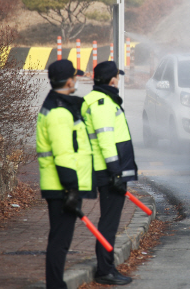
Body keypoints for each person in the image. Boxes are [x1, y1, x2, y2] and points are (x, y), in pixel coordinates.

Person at [36, 60, 96, 289]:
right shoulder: (59, 112)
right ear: (69, 81)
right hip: (61, 187)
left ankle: (56, 283)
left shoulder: (59, 105)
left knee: (60, 240)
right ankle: (55, 285)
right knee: (60, 242)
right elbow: (62, 154)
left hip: (61, 185)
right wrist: (71, 188)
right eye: (75, 77)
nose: (77, 81)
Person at [82, 61, 138, 286]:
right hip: (109, 172)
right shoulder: (104, 103)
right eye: (117, 76)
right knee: (109, 223)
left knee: (109, 221)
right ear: (111, 79)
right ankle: (105, 270)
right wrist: (116, 172)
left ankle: (107, 267)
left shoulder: (93, 100)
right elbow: (106, 140)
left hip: (105, 170)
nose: (119, 80)